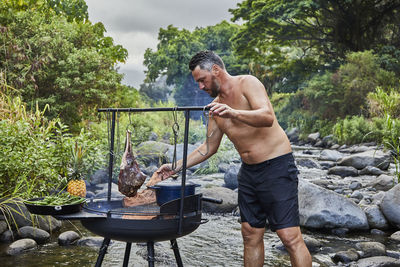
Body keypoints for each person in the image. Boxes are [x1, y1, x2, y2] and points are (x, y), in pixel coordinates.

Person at [156, 50, 312, 267]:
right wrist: (175, 167)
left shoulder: (248, 83)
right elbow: (208, 147)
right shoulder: (216, 109)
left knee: (289, 236)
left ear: (216, 70)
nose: (201, 87)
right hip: (249, 173)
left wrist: (233, 113)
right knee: (250, 234)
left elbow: (267, 116)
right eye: (198, 83)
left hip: (277, 167)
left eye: (202, 80)